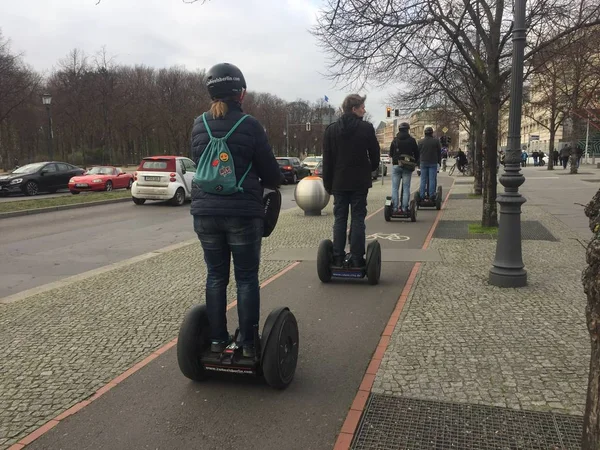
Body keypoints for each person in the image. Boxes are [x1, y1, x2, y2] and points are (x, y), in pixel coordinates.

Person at [190, 62, 283, 358]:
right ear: (239, 93)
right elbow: (271, 175)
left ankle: (217, 341)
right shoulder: (250, 125)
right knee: (246, 278)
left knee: (216, 276)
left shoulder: (198, 124)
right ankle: (248, 344)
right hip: (242, 213)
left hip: (205, 213)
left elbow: (200, 163)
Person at [322, 94, 380, 268]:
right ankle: (356, 258)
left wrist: (328, 184)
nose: (364, 110)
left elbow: (327, 160)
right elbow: (375, 155)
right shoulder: (366, 128)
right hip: (359, 182)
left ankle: (338, 257)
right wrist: (368, 169)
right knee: (358, 218)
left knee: (339, 219)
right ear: (354, 109)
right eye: (362, 107)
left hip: (338, 183)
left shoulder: (331, 130)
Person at [389, 122, 419, 213]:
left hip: (396, 165)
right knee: (406, 187)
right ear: (408, 130)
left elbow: (390, 153)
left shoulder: (394, 140)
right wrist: (415, 162)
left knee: (395, 188)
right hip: (407, 166)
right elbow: (417, 153)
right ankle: (404, 208)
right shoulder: (412, 140)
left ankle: (394, 208)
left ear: (399, 129)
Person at [418, 126, 441, 199]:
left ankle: (421, 195)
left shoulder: (420, 142)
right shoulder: (436, 141)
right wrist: (439, 162)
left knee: (423, 179)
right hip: (433, 162)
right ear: (432, 133)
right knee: (432, 179)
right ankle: (431, 195)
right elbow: (439, 153)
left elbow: (418, 153)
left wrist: (418, 163)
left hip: (423, 162)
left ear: (425, 133)